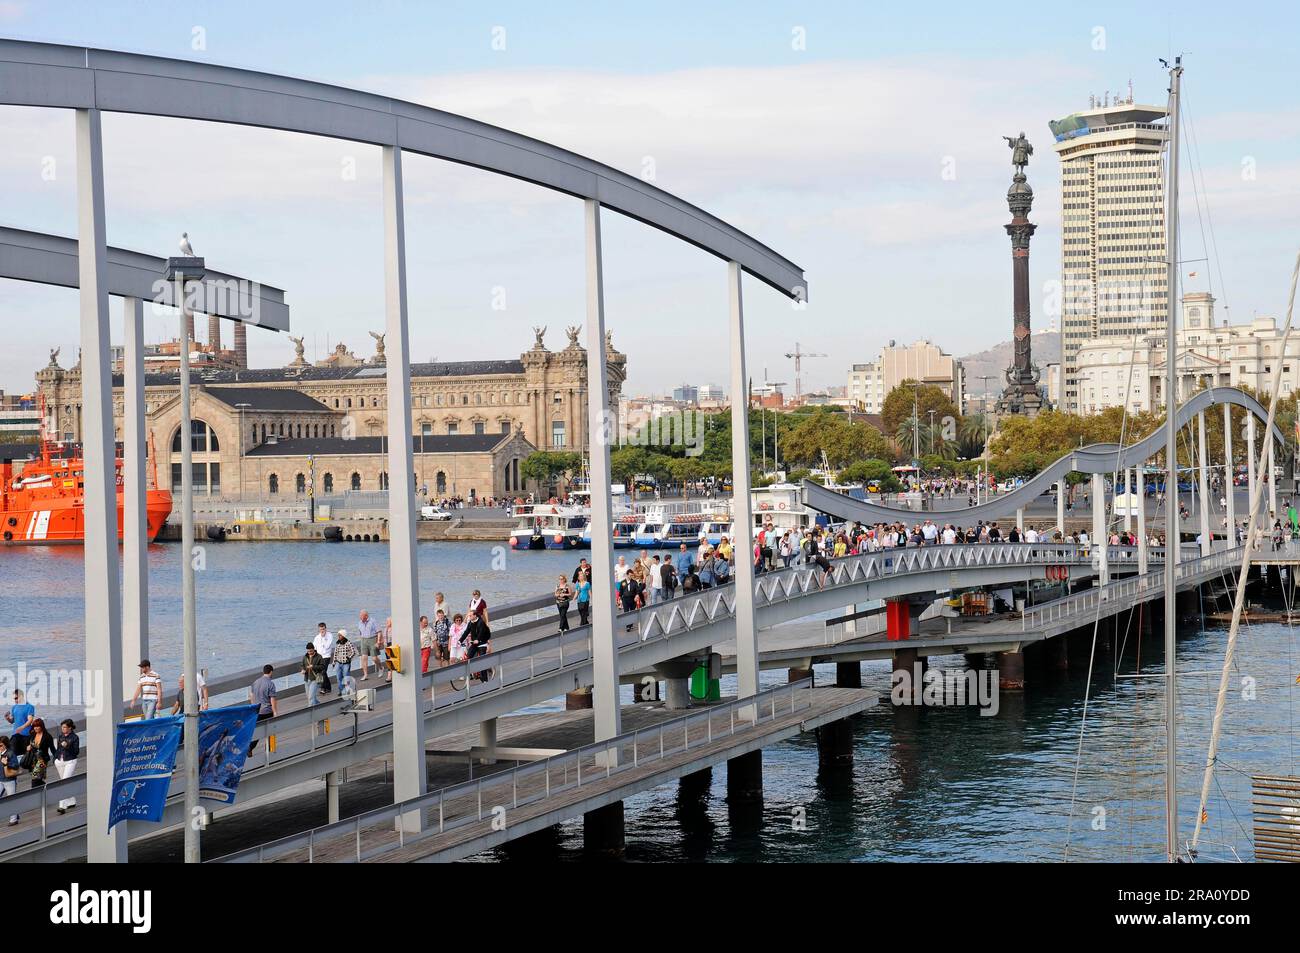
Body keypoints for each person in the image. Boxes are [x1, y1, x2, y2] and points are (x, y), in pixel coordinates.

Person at [246, 664, 278, 756]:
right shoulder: (270, 683)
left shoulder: (256, 682)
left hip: (257, 711)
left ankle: (250, 748)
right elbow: (272, 699)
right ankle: (269, 750)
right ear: (271, 672)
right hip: (267, 711)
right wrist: (275, 711)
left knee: (258, 731)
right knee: (270, 731)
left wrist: (253, 706)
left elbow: (251, 695)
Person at [53, 719, 80, 814]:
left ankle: (62, 806)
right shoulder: (60, 736)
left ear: (70, 728)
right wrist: (55, 759)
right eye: (62, 727)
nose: (63, 729)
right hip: (60, 761)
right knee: (65, 782)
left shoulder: (75, 737)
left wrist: (67, 746)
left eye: (64, 727)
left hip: (70, 761)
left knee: (63, 783)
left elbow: (76, 752)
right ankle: (71, 800)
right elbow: (58, 749)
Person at [22, 719, 53, 794]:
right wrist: (27, 747)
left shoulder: (47, 736)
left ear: (41, 726)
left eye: (37, 726)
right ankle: (49, 790)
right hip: (32, 760)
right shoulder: (32, 735)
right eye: (34, 726)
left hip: (42, 760)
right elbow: (26, 745)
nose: (35, 728)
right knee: (38, 780)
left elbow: (52, 748)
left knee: (35, 780)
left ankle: (35, 795)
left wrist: (56, 758)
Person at [5, 690, 35, 756]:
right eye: (14, 698)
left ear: (21, 696)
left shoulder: (29, 707)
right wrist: (8, 719)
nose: (15, 700)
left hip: (26, 735)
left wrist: (22, 727)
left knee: (26, 755)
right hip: (16, 734)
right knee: (11, 753)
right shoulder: (14, 707)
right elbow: (13, 721)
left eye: (16, 698)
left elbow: (30, 720)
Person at [301, 643, 328, 707]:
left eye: (310, 651)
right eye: (308, 651)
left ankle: (309, 711)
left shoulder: (319, 657)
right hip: (307, 678)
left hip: (315, 678)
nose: (309, 652)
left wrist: (313, 667)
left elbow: (323, 666)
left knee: (311, 697)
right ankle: (319, 706)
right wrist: (303, 670)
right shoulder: (305, 657)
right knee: (310, 697)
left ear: (313, 649)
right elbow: (302, 665)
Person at [356, 610, 380, 681]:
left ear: (366, 616)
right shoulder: (359, 622)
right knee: (364, 658)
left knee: (374, 658)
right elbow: (360, 632)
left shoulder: (373, 621)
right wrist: (361, 640)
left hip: (372, 639)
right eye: (360, 616)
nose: (360, 617)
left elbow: (379, 631)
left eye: (361, 616)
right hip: (363, 640)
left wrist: (378, 642)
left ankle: (381, 667)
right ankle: (365, 674)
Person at [332, 630, 358, 695]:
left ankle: (347, 690)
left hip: (346, 663)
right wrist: (334, 662)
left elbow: (353, 652)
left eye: (340, 635)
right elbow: (335, 653)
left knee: (346, 677)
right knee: (338, 677)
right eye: (338, 635)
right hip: (338, 662)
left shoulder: (348, 643)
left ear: (343, 636)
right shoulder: (337, 643)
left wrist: (349, 658)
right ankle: (341, 690)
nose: (338, 636)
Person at [0, 736, 18, 826]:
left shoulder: (10, 753)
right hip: (0, 780)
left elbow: (16, 765)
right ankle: (15, 815)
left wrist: (7, 763)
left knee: (11, 799)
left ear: (5, 745)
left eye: (0, 745)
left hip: (9, 780)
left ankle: (13, 819)